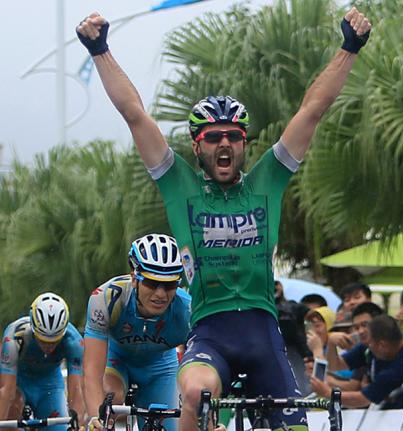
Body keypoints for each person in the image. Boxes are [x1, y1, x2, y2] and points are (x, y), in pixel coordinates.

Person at [76, 8, 372, 430]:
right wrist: (100, 49)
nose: (224, 144)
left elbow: (312, 110)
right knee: (196, 391)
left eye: (234, 136)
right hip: (210, 332)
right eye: (212, 137)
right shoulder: (181, 186)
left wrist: (349, 48)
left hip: (263, 332)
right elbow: (135, 114)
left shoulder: (268, 180)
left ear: (244, 144)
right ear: (197, 147)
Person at [83, 234, 190, 431]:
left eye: (169, 285)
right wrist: (94, 418)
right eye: (151, 283)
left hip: (160, 367)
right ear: (134, 278)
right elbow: (91, 372)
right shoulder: (107, 299)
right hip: (116, 361)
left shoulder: (187, 310)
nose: (160, 294)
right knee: (108, 402)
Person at [311, 315, 403, 409]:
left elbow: (362, 399)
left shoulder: (395, 371)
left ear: (382, 345)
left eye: (370, 342)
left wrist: (327, 393)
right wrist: (332, 344)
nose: (368, 345)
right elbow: (335, 365)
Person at [0, 293, 85, 430]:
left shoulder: (74, 341)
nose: (49, 346)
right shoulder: (14, 337)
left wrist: (77, 424)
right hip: (18, 382)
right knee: (10, 417)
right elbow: (6, 390)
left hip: (50, 385)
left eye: (55, 341)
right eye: (43, 340)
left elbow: (77, 389)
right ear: (33, 330)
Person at [325, 302, 384, 390]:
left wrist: (327, 387)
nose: (360, 331)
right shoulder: (363, 348)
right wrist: (331, 343)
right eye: (356, 327)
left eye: (365, 325)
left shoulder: (391, 347)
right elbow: (334, 366)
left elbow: (354, 388)